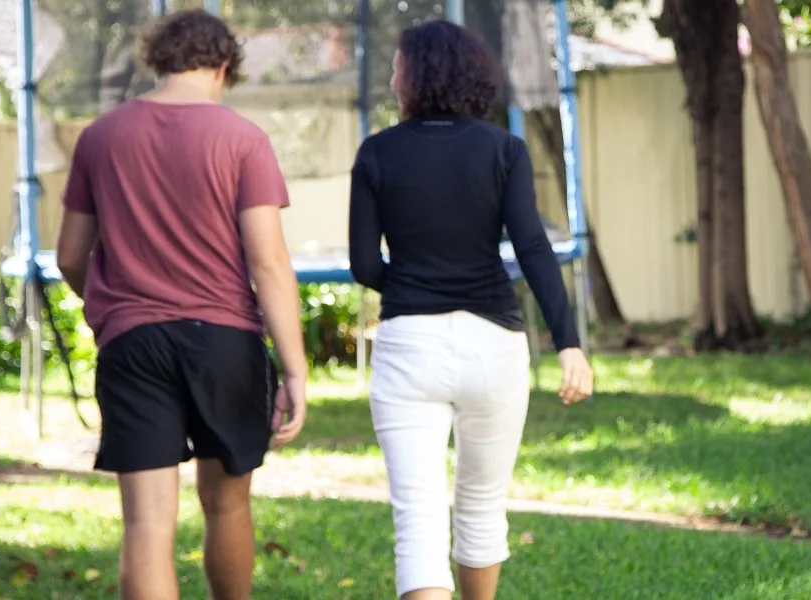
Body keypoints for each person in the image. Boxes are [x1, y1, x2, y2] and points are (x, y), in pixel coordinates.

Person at [54, 9, 307, 600]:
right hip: (225, 342)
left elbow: (70, 254)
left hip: (133, 343)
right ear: (224, 67)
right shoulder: (243, 139)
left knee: (146, 522)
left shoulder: (102, 137)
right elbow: (267, 262)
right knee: (225, 505)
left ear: (159, 60)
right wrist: (293, 369)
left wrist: (108, 309)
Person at [348, 20, 595, 600]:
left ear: (418, 75)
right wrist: (569, 342)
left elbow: (364, 265)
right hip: (494, 349)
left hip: (409, 347)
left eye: (398, 65)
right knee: (483, 508)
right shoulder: (503, 149)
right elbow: (532, 248)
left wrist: (410, 286)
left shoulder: (377, 152)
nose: (390, 76)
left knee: (419, 522)